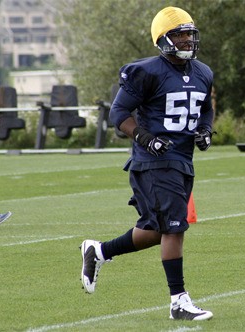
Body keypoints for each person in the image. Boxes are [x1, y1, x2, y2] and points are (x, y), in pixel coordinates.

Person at [80, 6, 214, 321]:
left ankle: (98, 251)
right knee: (175, 229)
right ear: (164, 39)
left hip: (181, 160)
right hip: (153, 162)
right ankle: (178, 302)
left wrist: (206, 131)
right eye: (180, 34)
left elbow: (206, 107)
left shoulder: (203, 72)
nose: (187, 40)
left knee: (156, 231)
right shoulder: (146, 71)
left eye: (189, 34)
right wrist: (145, 138)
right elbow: (118, 114)